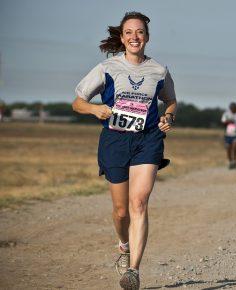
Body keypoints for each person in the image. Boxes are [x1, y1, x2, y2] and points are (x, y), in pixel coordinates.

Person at [72, 12, 177, 290]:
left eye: (140, 32)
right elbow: (78, 102)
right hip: (115, 141)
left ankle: (133, 271)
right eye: (129, 32)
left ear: (147, 37)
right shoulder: (107, 68)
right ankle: (123, 246)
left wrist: (168, 117)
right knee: (121, 212)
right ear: (122, 37)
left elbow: (171, 101)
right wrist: (95, 109)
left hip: (148, 139)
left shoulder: (159, 70)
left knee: (139, 203)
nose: (135, 37)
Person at [221, 102, 236, 169]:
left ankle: (235, 161)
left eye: (234, 108)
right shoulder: (226, 114)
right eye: (231, 108)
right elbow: (222, 121)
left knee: (235, 146)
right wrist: (228, 121)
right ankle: (230, 162)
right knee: (228, 148)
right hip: (228, 134)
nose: (232, 110)